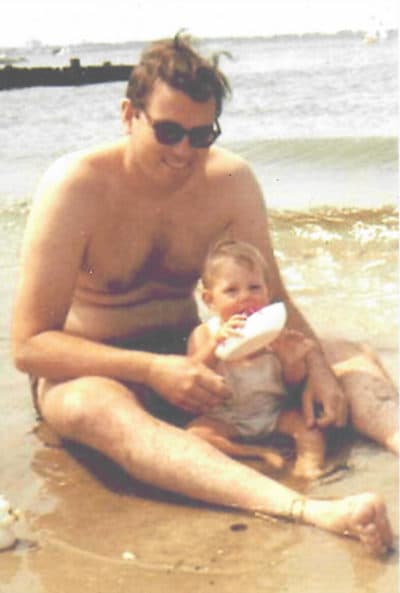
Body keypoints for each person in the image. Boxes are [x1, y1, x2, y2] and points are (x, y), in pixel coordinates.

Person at [11, 33, 397, 556]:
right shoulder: (75, 186)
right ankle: (310, 510)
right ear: (129, 114)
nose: (183, 151)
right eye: (168, 131)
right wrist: (151, 370)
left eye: (201, 134)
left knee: (345, 354)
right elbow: (30, 345)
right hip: (102, 371)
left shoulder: (229, 181)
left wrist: (321, 373)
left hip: (204, 362)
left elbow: (274, 302)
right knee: (88, 406)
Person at [187, 240, 326, 478]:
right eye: (231, 290)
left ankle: (309, 468)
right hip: (225, 417)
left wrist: (290, 358)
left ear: (268, 292)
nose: (245, 297)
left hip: (271, 414)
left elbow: (292, 382)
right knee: (194, 436)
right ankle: (254, 452)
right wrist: (215, 344)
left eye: (254, 288)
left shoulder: (274, 332)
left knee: (309, 430)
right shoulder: (206, 334)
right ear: (209, 300)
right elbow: (192, 373)